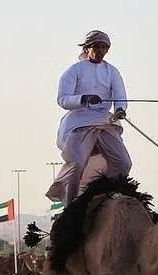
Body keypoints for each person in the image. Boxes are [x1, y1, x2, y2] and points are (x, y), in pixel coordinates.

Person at [46, 30, 131, 207]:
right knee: (76, 164)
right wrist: (83, 99)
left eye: (103, 47)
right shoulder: (73, 71)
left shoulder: (112, 71)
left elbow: (120, 96)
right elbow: (62, 99)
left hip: (105, 122)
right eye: (96, 46)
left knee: (124, 163)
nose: (100, 51)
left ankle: (104, 196)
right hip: (79, 122)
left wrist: (120, 109)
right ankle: (71, 207)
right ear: (87, 48)